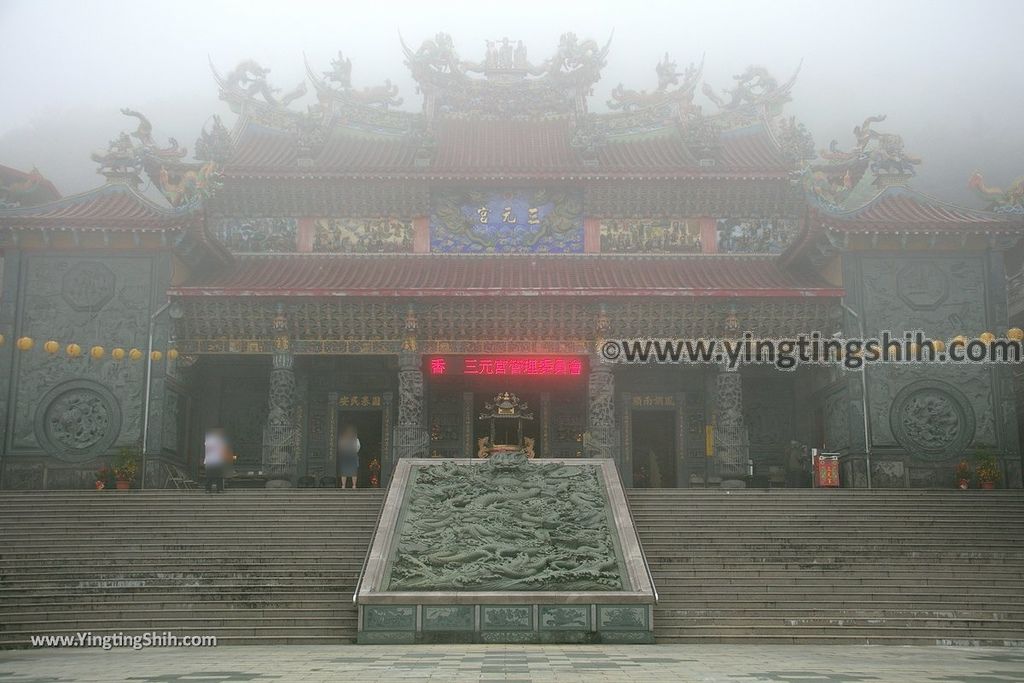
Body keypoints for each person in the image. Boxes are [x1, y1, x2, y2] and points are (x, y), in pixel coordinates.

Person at [204, 427, 228, 494]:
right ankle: (208, 489)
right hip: (210, 461)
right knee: (210, 476)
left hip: (219, 461)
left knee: (219, 476)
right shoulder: (210, 439)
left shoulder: (221, 441)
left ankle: (219, 489)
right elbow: (209, 447)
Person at [337, 425, 360, 489]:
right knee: (344, 471)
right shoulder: (344, 439)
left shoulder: (355, 439)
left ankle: (353, 485)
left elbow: (357, 447)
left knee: (353, 471)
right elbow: (357, 448)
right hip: (348, 455)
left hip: (350, 456)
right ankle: (344, 485)